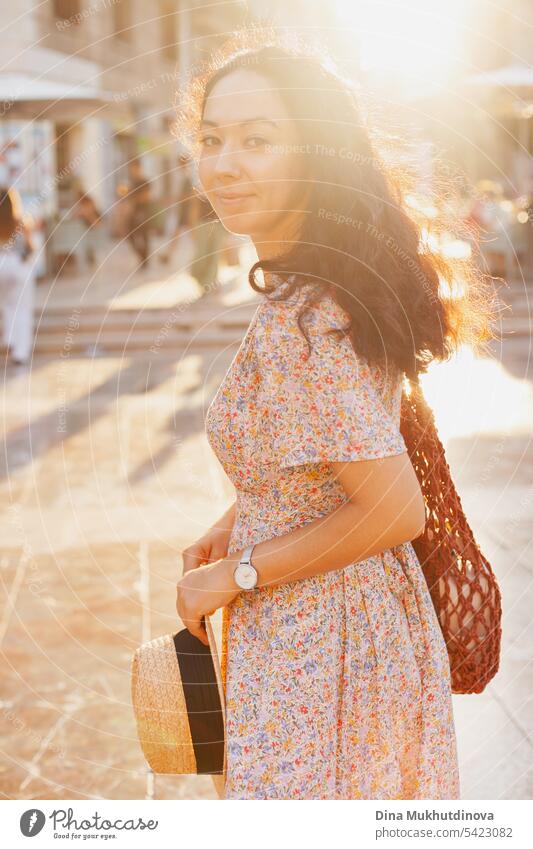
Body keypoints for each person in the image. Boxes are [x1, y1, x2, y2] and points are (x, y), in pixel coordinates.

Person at [173, 34, 497, 800]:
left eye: (257, 140)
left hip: (322, 645)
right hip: (354, 628)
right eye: (212, 140)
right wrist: (248, 506)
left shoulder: (305, 317)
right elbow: (330, 447)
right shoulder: (322, 285)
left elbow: (392, 508)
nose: (224, 164)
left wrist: (234, 572)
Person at [0, 186, 36, 367]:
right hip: (17, 265)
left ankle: (9, 339)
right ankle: (20, 351)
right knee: (22, 308)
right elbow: (30, 247)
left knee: (7, 305)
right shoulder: (21, 221)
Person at [126, 160, 152, 269]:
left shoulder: (144, 181)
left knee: (144, 236)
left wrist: (136, 199)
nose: (133, 171)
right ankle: (142, 256)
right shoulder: (132, 182)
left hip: (143, 211)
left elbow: (146, 197)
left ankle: (145, 260)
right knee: (130, 234)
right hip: (133, 212)